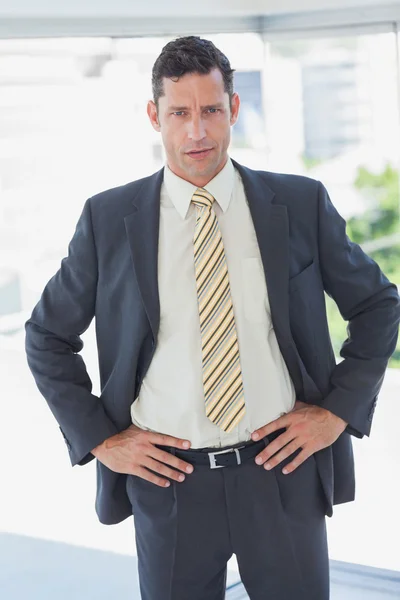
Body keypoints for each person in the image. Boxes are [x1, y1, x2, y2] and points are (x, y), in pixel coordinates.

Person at [25, 35, 400, 600]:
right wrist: (103, 440)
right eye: (179, 112)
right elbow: (46, 337)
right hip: (170, 483)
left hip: (283, 475)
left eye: (210, 110)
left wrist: (335, 413)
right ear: (155, 115)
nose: (196, 131)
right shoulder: (108, 220)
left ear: (234, 109)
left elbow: (377, 306)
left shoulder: (298, 203)